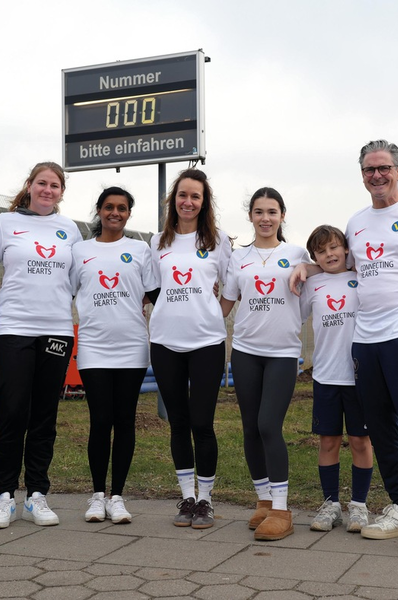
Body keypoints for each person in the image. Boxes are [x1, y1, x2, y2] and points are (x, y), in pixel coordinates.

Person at [292, 140, 398, 558]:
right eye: (368, 170)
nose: (376, 176)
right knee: (380, 431)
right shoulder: (357, 222)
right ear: (361, 175)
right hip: (365, 343)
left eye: (383, 168)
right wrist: (305, 266)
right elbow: (339, 263)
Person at [0, 162, 81, 529]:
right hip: (13, 329)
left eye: (55, 185)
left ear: (61, 192)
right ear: (29, 185)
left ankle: (37, 495)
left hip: (56, 332)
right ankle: (4, 496)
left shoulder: (69, 229)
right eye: (42, 183)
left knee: (44, 414)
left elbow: (77, 280)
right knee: (11, 411)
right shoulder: (5, 224)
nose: (48, 190)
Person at [220, 188, 308, 541]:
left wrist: (309, 265)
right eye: (259, 212)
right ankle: (264, 501)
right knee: (250, 429)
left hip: (283, 353)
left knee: (269, 425)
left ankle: (283, 509)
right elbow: (224, 305)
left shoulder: (296, 253)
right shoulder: (238, 258)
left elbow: (334, 264)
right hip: (244, 352)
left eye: (272, 211)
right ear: (251, 216)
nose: (265, 218)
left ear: (282, 215)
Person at [149, 169, 232, 529]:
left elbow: (231, 287)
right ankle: (186, 498)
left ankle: (206, 501)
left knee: (202, 422)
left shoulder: (219, 241)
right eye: (182, 195)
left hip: (207, 344)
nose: (188, 202)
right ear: (173, 199)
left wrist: (213, 313)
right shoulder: (157, 243)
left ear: (204, 202)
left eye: (195, 196)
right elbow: (153, 289)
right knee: (178, 423)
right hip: (165, 343)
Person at [72, 187, 157, 524]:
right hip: (93, 347)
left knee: (124, 422)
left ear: (128, 214)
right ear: (99, 210)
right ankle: (96, 497)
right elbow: (65, 289)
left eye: (122, 208)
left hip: (132, 346)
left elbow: (156, 293)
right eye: (109, 207)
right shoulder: (80, 250)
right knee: (100, 420)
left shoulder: (139, 250)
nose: (115, 213)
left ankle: (117, 497)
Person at [299, 225, 373, 533]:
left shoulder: (363, 279)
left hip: (360, 377)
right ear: (314, 255)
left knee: (360, 440)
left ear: (346, 249)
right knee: (328, 440)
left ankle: (358, 506)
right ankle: (331, 504)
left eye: (334, 247)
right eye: (321, 250)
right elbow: (295, 314)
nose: (329, 254)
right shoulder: (312, 285)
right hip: (326, 376)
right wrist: (304, 269)